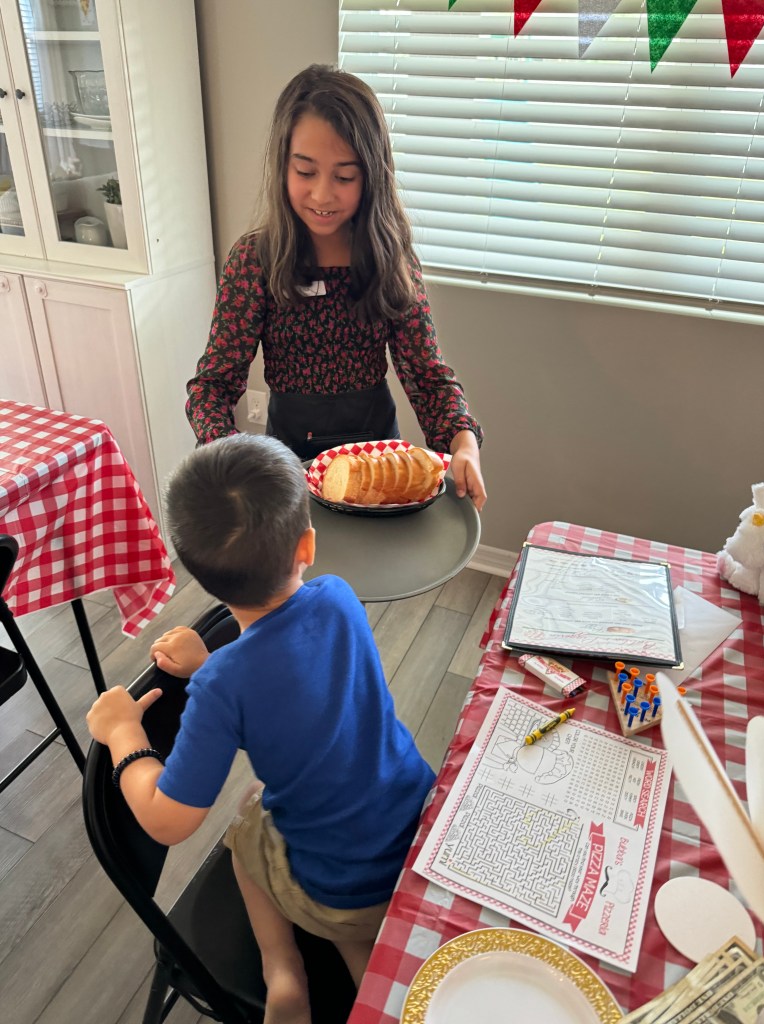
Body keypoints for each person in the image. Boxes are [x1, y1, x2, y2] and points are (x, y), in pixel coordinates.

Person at [86, 433, 435, 1024]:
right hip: (416, 836)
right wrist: (213, 665)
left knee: (248, 817)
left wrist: (124, 733)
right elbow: (294, 683)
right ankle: (374, 979)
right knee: (360, 940)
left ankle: (282, 972)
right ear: (309, 545)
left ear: (199, 574)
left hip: (338, 886)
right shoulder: (341, 599)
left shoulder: (226, 686)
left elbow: (169, 821)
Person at [186, 63, 487, 511]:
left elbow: (427, 377)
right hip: (288, 464)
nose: (323, 195)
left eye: (344, 177)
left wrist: (464, 444)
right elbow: (212, 385)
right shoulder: (255, 261)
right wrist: (231, 452)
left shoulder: (391, 257)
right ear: (282, 164)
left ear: (372, 175)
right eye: (305, 172)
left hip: (379, 462)